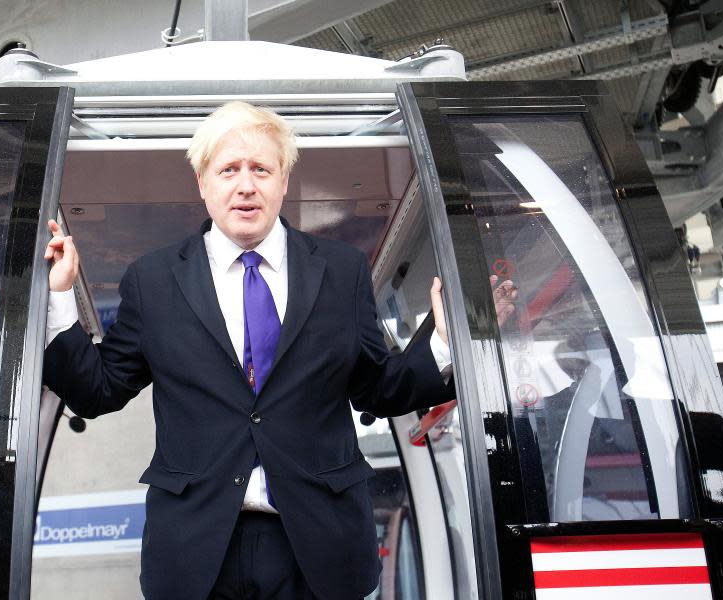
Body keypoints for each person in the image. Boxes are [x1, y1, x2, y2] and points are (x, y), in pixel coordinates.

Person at [43, 101, 454, 600]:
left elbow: (377, 387)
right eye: (229, 170)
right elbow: (97, 390)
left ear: (284, 181)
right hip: (196, 552)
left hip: (320, 547)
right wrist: (61, 296)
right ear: (202, 183)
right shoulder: (152, 280)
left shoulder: (342, 270)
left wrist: (444, 340)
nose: (245, 185)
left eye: (261, 169)